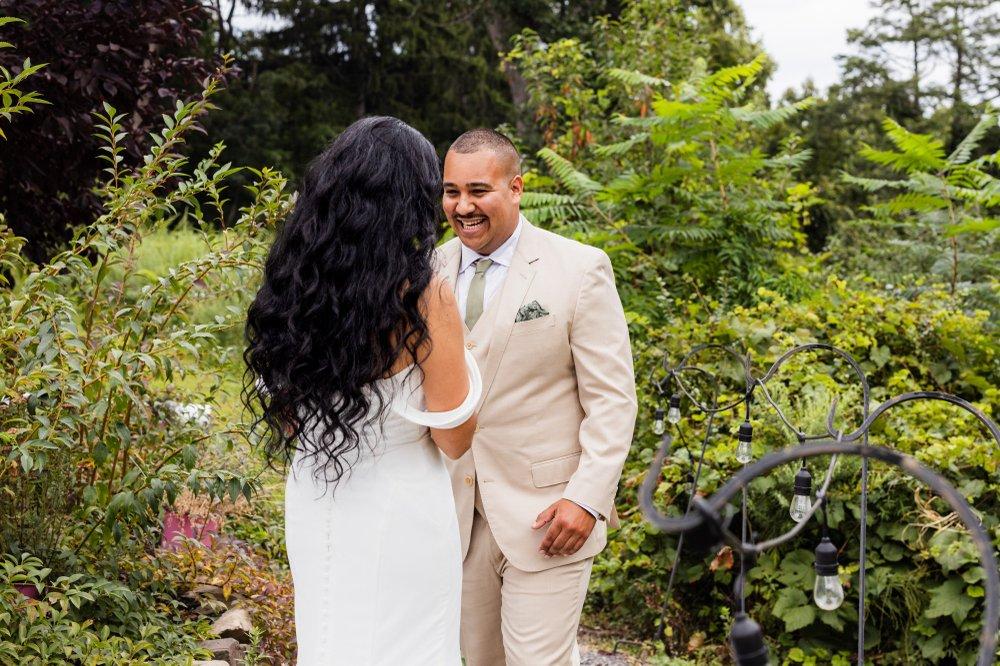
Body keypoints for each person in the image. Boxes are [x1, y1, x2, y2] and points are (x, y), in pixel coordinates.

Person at [243, 116, 479, 665]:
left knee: (329, 637)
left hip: (315, 494)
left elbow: (289, 418)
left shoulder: (291, 286)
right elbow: (454, 439)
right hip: (403, 510)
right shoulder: (425, 298)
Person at [438, 128, 638, 665]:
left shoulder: (579, 268)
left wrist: (587, 499)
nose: (463, 206)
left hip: (550, 518)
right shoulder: (428, 271)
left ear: (517, 187)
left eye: (478, 190)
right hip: (456, 519)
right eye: (452, 192)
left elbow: (613, 399)